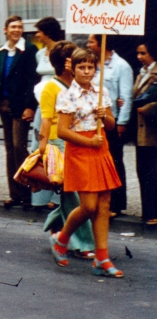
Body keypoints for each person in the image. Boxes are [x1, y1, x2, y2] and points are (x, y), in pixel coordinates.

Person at [52, 48, 122, 277]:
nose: (86, 71)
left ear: (95, 69)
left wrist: (105, 116)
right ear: (73, 69)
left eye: (90, 67)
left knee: (104, 204)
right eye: (81, 67)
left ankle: (102, 258)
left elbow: (111, 125)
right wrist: (88, 142)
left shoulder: (101, 92)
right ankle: (61, 239)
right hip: (81, 150)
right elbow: (62, 131)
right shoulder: (66, 95)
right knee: (89, 206)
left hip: (100, 148)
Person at [38, 41, 95, 257]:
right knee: (74, 196)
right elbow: (46, 120)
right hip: (58, 144)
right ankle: (82, 244)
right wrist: (43, 148)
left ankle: (56, 227)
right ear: (64, 64)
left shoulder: (76, 86)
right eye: (74, 60)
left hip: (76, 142)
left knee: (71, 195)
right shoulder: (51, 88)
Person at [0, 15, 38, 208]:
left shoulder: (29, 50)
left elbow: (32, 80)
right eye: (13, 27)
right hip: (4, 103)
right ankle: (15, 193)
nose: (16, 30)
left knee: (19, 146)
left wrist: (30, 106)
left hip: (20, 105)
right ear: (5, 30)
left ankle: (27, 191)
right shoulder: (2, 52)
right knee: (9, 148)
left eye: (19, 27)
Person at [86, 34, 133, 217]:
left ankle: (116, 204)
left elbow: (126, 96)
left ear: (102, 44)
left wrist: (122, 122)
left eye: (91, 41)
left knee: (114, 162)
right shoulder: (91, 64)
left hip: (110, 122)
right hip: (92, 122)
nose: (88, 44)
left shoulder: (121, 66)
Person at [31, 17, 63, 209]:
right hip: (41, 104)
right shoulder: (40, 54)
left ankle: (58, 197)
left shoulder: (63, 50)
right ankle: (41, 195)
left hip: (59, 102)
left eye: (39, 31)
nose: (36, 35)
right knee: (39, 145)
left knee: (57, 147)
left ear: (48, 32)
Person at [132, 40, 157, 226]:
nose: (139, 57)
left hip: (152, 131)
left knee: (152, 172)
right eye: (138, 53)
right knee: (143, 170)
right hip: (142, 131)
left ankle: (153, 212)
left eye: (143, 53)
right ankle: (147, 210)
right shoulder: (142, 73)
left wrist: (147, 108)